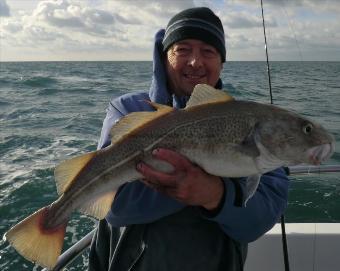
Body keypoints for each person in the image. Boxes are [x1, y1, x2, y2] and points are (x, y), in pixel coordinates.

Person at [88, 7, 289, 271]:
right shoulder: (129, 110)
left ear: (221, 62)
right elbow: (116, 207)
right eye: (182, 49)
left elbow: (258, 220)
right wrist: (185, 189)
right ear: (165, 56)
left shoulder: (250, 123)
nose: (196, 62)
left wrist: (215, 195)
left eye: (209, 51)